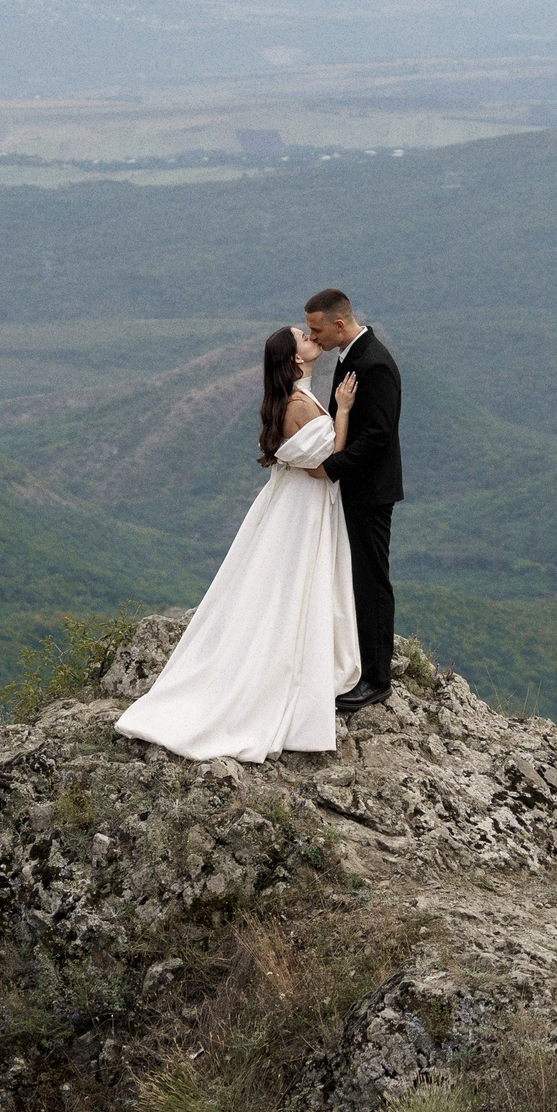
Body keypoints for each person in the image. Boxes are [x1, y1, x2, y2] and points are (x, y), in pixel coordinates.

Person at [114, 324, 364, 762]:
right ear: (296, 359)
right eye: (303, 337)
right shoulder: (297, 405)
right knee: (291, 585)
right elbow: (325, 465)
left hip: (296, 501)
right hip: (302, 505)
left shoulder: (296, 398)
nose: (311, 337)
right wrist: (343, 411)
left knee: (287, 584)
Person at [302, 288, 402, 711]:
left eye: (317, 329)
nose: (313, 337)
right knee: (354, 577)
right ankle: (358, 663)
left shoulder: (374, 363)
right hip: (355, 489)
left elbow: (378, 434)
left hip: (370, 492)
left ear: (339, 325)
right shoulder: (350, 356)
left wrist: (332, 466)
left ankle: (377, 679)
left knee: (371, 580)